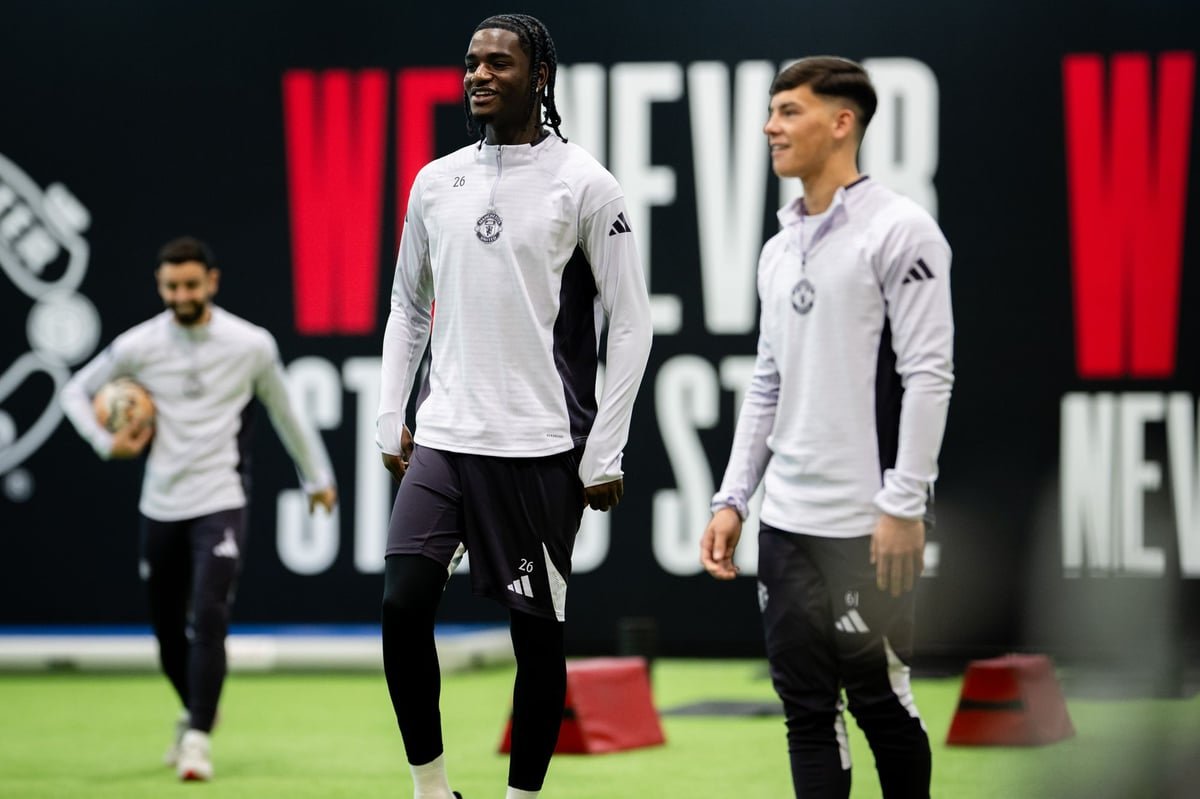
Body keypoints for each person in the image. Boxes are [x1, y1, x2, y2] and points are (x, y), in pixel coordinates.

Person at [376, 13, 652, 799]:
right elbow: (408, 306)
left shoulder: (585, 184)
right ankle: (432, 789)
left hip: (540, 450)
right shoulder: (436, 182)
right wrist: (391, 410)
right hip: (444, 440)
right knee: (401, 606)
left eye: (499, 63)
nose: (479, 75)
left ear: (540, 77)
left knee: (536, 639)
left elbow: (631, 323)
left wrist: (604, 448)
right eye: (471, 62)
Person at [701, 57, 953, 799]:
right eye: (771, 111)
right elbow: (767, 383)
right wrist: (733, 498)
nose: (769, 128)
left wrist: (903, 503)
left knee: (879, 698)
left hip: (869, 525)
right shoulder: (778, 248)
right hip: (786, 525)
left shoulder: (902, 230)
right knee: (805, 711)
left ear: (842, 122)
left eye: (789, 111)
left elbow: (928, 376)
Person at [60, 236, 337, 782]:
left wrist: (317, 478)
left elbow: (287, 412)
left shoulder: (250, 345)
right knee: (167, 631)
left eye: (191, 284)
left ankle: (197, 741)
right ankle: (195, 708)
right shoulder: (138, 346)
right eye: (171, 286)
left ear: (212, 281)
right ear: (159, 286)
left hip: (221, 499)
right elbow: (74, 391)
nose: (181, 295)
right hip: (161, 502)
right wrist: (105, 442)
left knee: (209, 616)